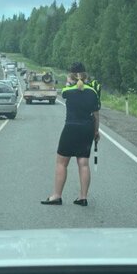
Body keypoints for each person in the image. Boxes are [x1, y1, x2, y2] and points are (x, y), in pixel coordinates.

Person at [42, 62, 100, 207]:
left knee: (62, 162)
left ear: (71, 75)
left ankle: (56, 196)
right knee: (83, 163)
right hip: (87, 128)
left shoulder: (68, 91)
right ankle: (83, 197)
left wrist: (69, 82)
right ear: (85, 75)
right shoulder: (92, 92)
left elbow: (65, 92)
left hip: (71, 127)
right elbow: (96, 115)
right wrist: (96, 131)